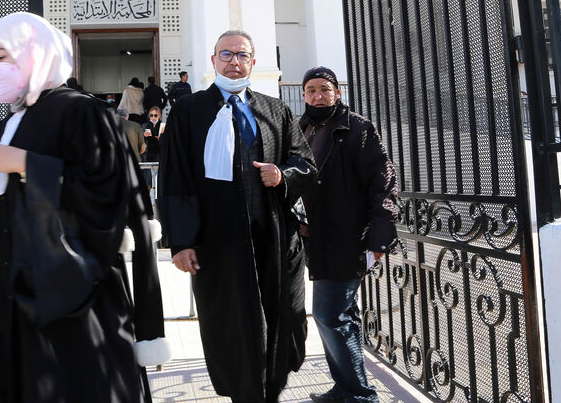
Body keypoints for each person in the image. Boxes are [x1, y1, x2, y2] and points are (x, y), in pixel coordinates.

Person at [0, 12, 169, 403]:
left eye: (2, 56)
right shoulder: (13, 121)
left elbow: (106, 192)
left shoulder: (81, 111)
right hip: (18, 294)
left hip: (74, 297)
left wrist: (24, 164)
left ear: (35, 55)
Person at [158, 29, 315, 403]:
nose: (233, 61)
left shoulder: (275, 109)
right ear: (213, 61)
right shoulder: (189, 111)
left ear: (253, 62)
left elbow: (305, 163)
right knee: (229, 320)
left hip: (273, 238)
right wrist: (180, 242)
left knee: (281, 314)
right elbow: (174, 178)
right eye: (225, 54)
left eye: (242, 55)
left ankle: (271, 389)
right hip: (217, 242)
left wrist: (282, 175)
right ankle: (243, 394)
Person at [297, 66, 398, 403]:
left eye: (324, 89)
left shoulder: (357, 127)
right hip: (316, 237)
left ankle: (360, 395)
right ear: (304, 94)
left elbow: (381, 182)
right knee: (344, 317)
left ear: (337, 92)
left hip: (348, 236)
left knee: (329, 315)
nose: (317, 95)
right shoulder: (302, 129)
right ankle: (345, 389)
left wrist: (379, 235)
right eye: (311, 90)